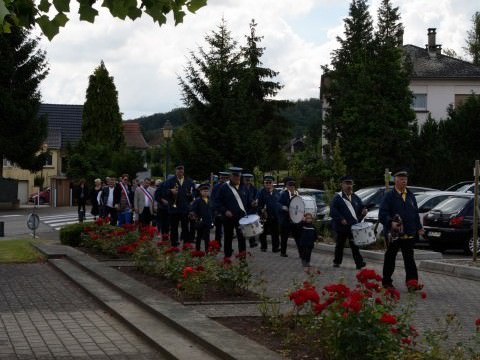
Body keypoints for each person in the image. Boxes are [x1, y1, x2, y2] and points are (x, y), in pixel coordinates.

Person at [379, 169, 424, 289]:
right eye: (401, 179)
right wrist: (390, 223)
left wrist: (419, 227)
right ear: (395, 181)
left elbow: (415, 212)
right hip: (393, 234)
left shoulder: (410, 195)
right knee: (390, 258)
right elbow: (382, 213)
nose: (404, 182)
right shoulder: (389, 195)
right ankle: (387, 282)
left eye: (405, 179)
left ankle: (412, 283)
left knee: (409, 259)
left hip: (409, 232)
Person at [330, 176, 367, 269]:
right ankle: (337, 262)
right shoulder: (337, 198)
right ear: (341, 185)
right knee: (340, 245)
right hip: (341, 227)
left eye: (350, 184)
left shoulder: (355, 197)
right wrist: (341, 219)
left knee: (355, 246)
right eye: (347, 183)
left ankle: (359, 263)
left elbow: (362, 207)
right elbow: (333, 211)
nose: (349, 186)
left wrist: (364, 210)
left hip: (353, 227)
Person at [217, 166, 248, 258]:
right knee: (228, 237)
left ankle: (242, 258)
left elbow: (248, 201)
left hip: (241, 217)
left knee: (242, 238)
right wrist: (225, 211)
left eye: (238, 176)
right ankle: (227, 257)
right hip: (228, 217)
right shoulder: (224, 187)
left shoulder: (244, 187)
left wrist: (253, 204)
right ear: (230, 176)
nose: (236, 178)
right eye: (234, 176)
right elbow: (217, 202)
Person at [163, 164, 195, 246]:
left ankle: (186, 244)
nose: (180, 171)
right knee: (174, 228)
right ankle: (174, 244)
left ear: (184, 171)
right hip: (174, 208)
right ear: (175, 171)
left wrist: (190, 195)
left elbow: (193, 195)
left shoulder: (189, 181)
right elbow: (164, 193)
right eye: (178, 169)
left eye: (182, 170)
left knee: (185, 227)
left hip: (185, 208)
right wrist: (170, 191)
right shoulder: (169, 181)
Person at [256, 175, 281, 252]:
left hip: (274, 216)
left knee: (275, 233)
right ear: (264, 183)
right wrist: (261, 210)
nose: (268, 184)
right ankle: (263, 247)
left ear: (272, 183)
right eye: (266, 182)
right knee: (263, 232)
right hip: (264, 215)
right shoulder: (261, 192)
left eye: (269, 182)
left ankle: (275, 248)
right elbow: (258, 204)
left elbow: (279, 203)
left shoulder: (276, 192)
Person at [278, 177, 300, 257]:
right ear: (287, 186)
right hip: (285, 219)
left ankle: (301, 253)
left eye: (293, 185)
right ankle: (283, 252)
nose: (291, 187)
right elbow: (278, 204)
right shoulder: (283, 194)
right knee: (284, 237)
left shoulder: (296, 194)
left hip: (294, 219)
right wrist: (283, 207)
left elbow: (299, 204)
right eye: (290, 185)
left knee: (298, 237)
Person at [190, 183, 214, 252]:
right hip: (200, 222)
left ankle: (207, 250)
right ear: (200, 192)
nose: (206, 192)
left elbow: (212, 211)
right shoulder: (197, 201)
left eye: (207, 191)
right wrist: (194, 216)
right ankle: (197, 250)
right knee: (199, 237)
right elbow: (193, 210)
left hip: (208, 221)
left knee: (207, 238)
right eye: (204, 191)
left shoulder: (210, 200)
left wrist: (212, 221)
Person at [211, 171, 230, 247]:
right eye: (222, 178)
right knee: (218, 231)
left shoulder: (230, 187)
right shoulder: (216, 187)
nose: (224, 179)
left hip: (228, 211)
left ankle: (227, 246)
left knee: (228, 231)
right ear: (220, 178)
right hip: (219, 211)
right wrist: (215, 210)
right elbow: (213, 199)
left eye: (226, 178)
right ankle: (217, 244)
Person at [241, 172, 258, 248]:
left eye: (249, 179)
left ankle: (252, 242)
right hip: (243, 209)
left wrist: (255, 202)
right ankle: (242, 241)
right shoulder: (240, 188)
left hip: (252, 210)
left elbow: (256, 197)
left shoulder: (253, 188)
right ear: (243, 179)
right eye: (246, 179)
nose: (248, 181)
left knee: (251, 226)